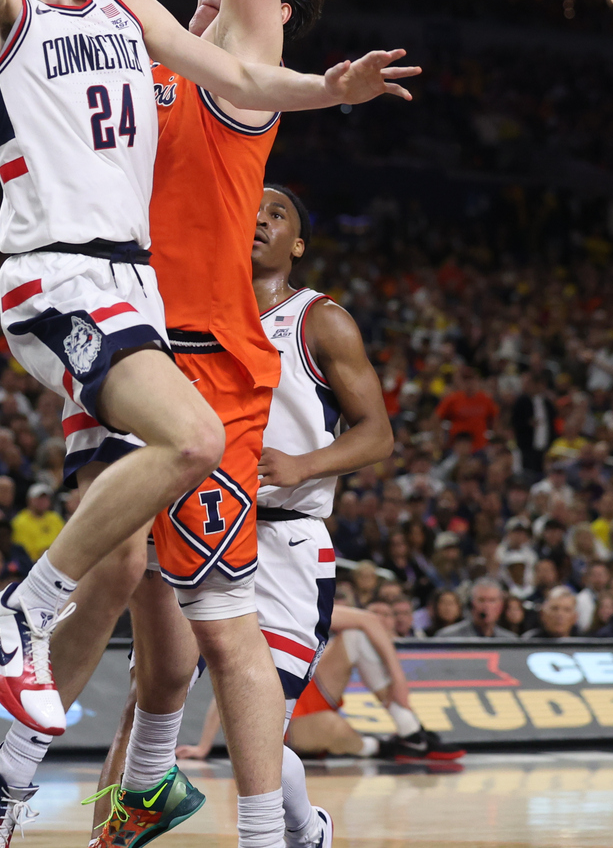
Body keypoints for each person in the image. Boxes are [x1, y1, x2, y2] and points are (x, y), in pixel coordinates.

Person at [0, 0, 414, 848]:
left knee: (210, 622)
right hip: (121, 323)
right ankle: (52, 767)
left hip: (201, 359)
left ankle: (266, 823)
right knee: (123, 588)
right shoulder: (129, 45)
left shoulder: (230, 65)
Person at [87, 180, 405, 848]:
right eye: (250, 209)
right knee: (145, 706)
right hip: (195, 527)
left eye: (277, 213)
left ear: (297, 242)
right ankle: (107, 841)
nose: (259, 219)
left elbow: (377, 432)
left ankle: (301, 826)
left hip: (284, 542)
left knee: (253, 731)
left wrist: (304, 465)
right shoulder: (187, 314)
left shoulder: (321, 319)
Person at [179, 605, 462, 764]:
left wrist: (398, 678)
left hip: (311, 688)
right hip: (282, 720)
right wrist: (204, 747)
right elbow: (229, 688)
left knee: (354, 636)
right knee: (331, 726)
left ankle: (410, 732)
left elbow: (371, 621)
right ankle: (378, 746)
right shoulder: (253, 615)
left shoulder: (300, 600)